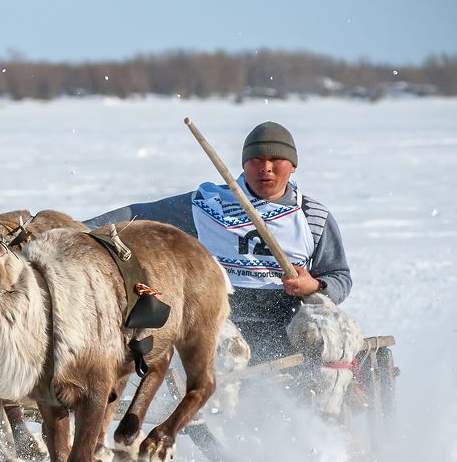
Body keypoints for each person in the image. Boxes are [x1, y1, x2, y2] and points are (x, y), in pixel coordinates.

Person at [86, 121, 351, 362]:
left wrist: (314, 285)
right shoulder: (208, 207)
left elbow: (340, 276)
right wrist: (77, 230)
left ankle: (325, 413)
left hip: (289, 323)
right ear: (244, 164)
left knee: (332, 341)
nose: (265, 168)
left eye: (276, 159)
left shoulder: (312, 216)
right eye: (256, 159)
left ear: (292, 165)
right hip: (220, 318)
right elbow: (137, 216)